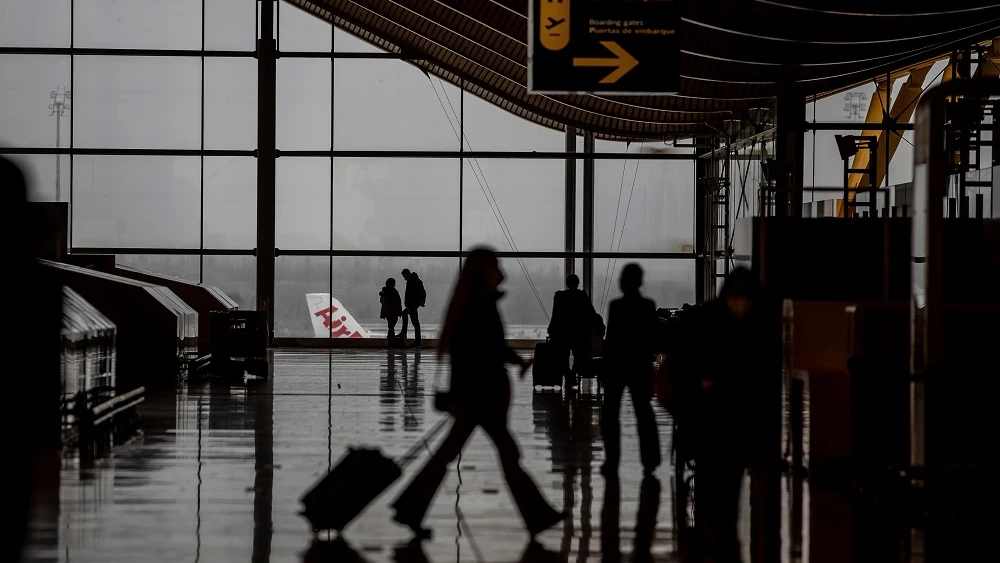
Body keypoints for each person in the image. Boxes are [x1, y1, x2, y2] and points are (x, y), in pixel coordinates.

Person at [390, 247, 564, 539]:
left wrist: (516, 361)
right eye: (496, 266)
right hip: (481, 396)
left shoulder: (473, 303)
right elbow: (478, 351)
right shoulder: (478, 305)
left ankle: (410, 508)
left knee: (453, 454)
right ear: (484, 271)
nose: (502, 272)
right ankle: (538, 515)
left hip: (477, 395)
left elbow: (481, 348)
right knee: (506, 454)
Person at [683, 267, 780, 563]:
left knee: (718, 491)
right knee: (723, 491)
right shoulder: (759, 325)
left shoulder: (710, 320)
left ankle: (715, 541)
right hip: (727, 424)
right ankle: (719, 542)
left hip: (722, 424)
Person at [600, 263, 661, 477]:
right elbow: (653, 338)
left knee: (610, 413)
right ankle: (650, 460)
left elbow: (611, 339)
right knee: (644, 413)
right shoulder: (648, 305)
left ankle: (612, 459)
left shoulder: (616, 306)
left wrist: (605, 367)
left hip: (617, 365)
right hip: (640, 365)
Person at [547, 274, 598, 378]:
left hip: (563, 332)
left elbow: (555, 314)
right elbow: (591, 313)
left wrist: (552, 329)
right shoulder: (582, 296)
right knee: (579, 357)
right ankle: (573, 373)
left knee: (562, 357)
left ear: (567, 284)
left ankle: (568, 374)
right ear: (578, 283)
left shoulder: (559, 296)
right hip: (579, 333)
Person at [399, 268, 426, 348]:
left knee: (415, 322)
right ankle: (407, 335)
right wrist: (422, 302)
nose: (404, 278)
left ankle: (417, 341)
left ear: (407, 274)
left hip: (412, 304)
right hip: (413, 304)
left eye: (404, 276)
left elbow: (412, 294)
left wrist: (411, 302)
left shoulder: (412, 282)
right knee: (407, 316)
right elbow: (423, 292)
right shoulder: (416, 281)